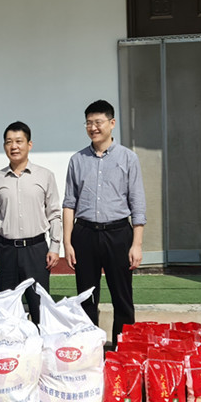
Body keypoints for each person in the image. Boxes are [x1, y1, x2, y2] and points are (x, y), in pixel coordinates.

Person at [63, 99, 146, 346]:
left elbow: (137, 203)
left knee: (122, 296)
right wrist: (67, 242)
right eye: (89, 123)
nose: (93, 128)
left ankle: (123, 351)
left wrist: (137, 244)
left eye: (98, 122)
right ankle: (89, 348)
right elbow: (69, 203)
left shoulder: (128, 158)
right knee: (86, 297)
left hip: (118, 233)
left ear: (112, 123)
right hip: (84, 233)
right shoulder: (77, 160)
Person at [0, 121, 62, 324]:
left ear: (29, 144)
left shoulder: (45, 176)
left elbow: (54, 214)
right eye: (9, 142)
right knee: (7, 310)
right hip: (6, 251)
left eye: (19, 141)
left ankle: (41, 342)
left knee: (39, 307)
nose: (14, 146)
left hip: (36, 250)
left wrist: (55, 247)